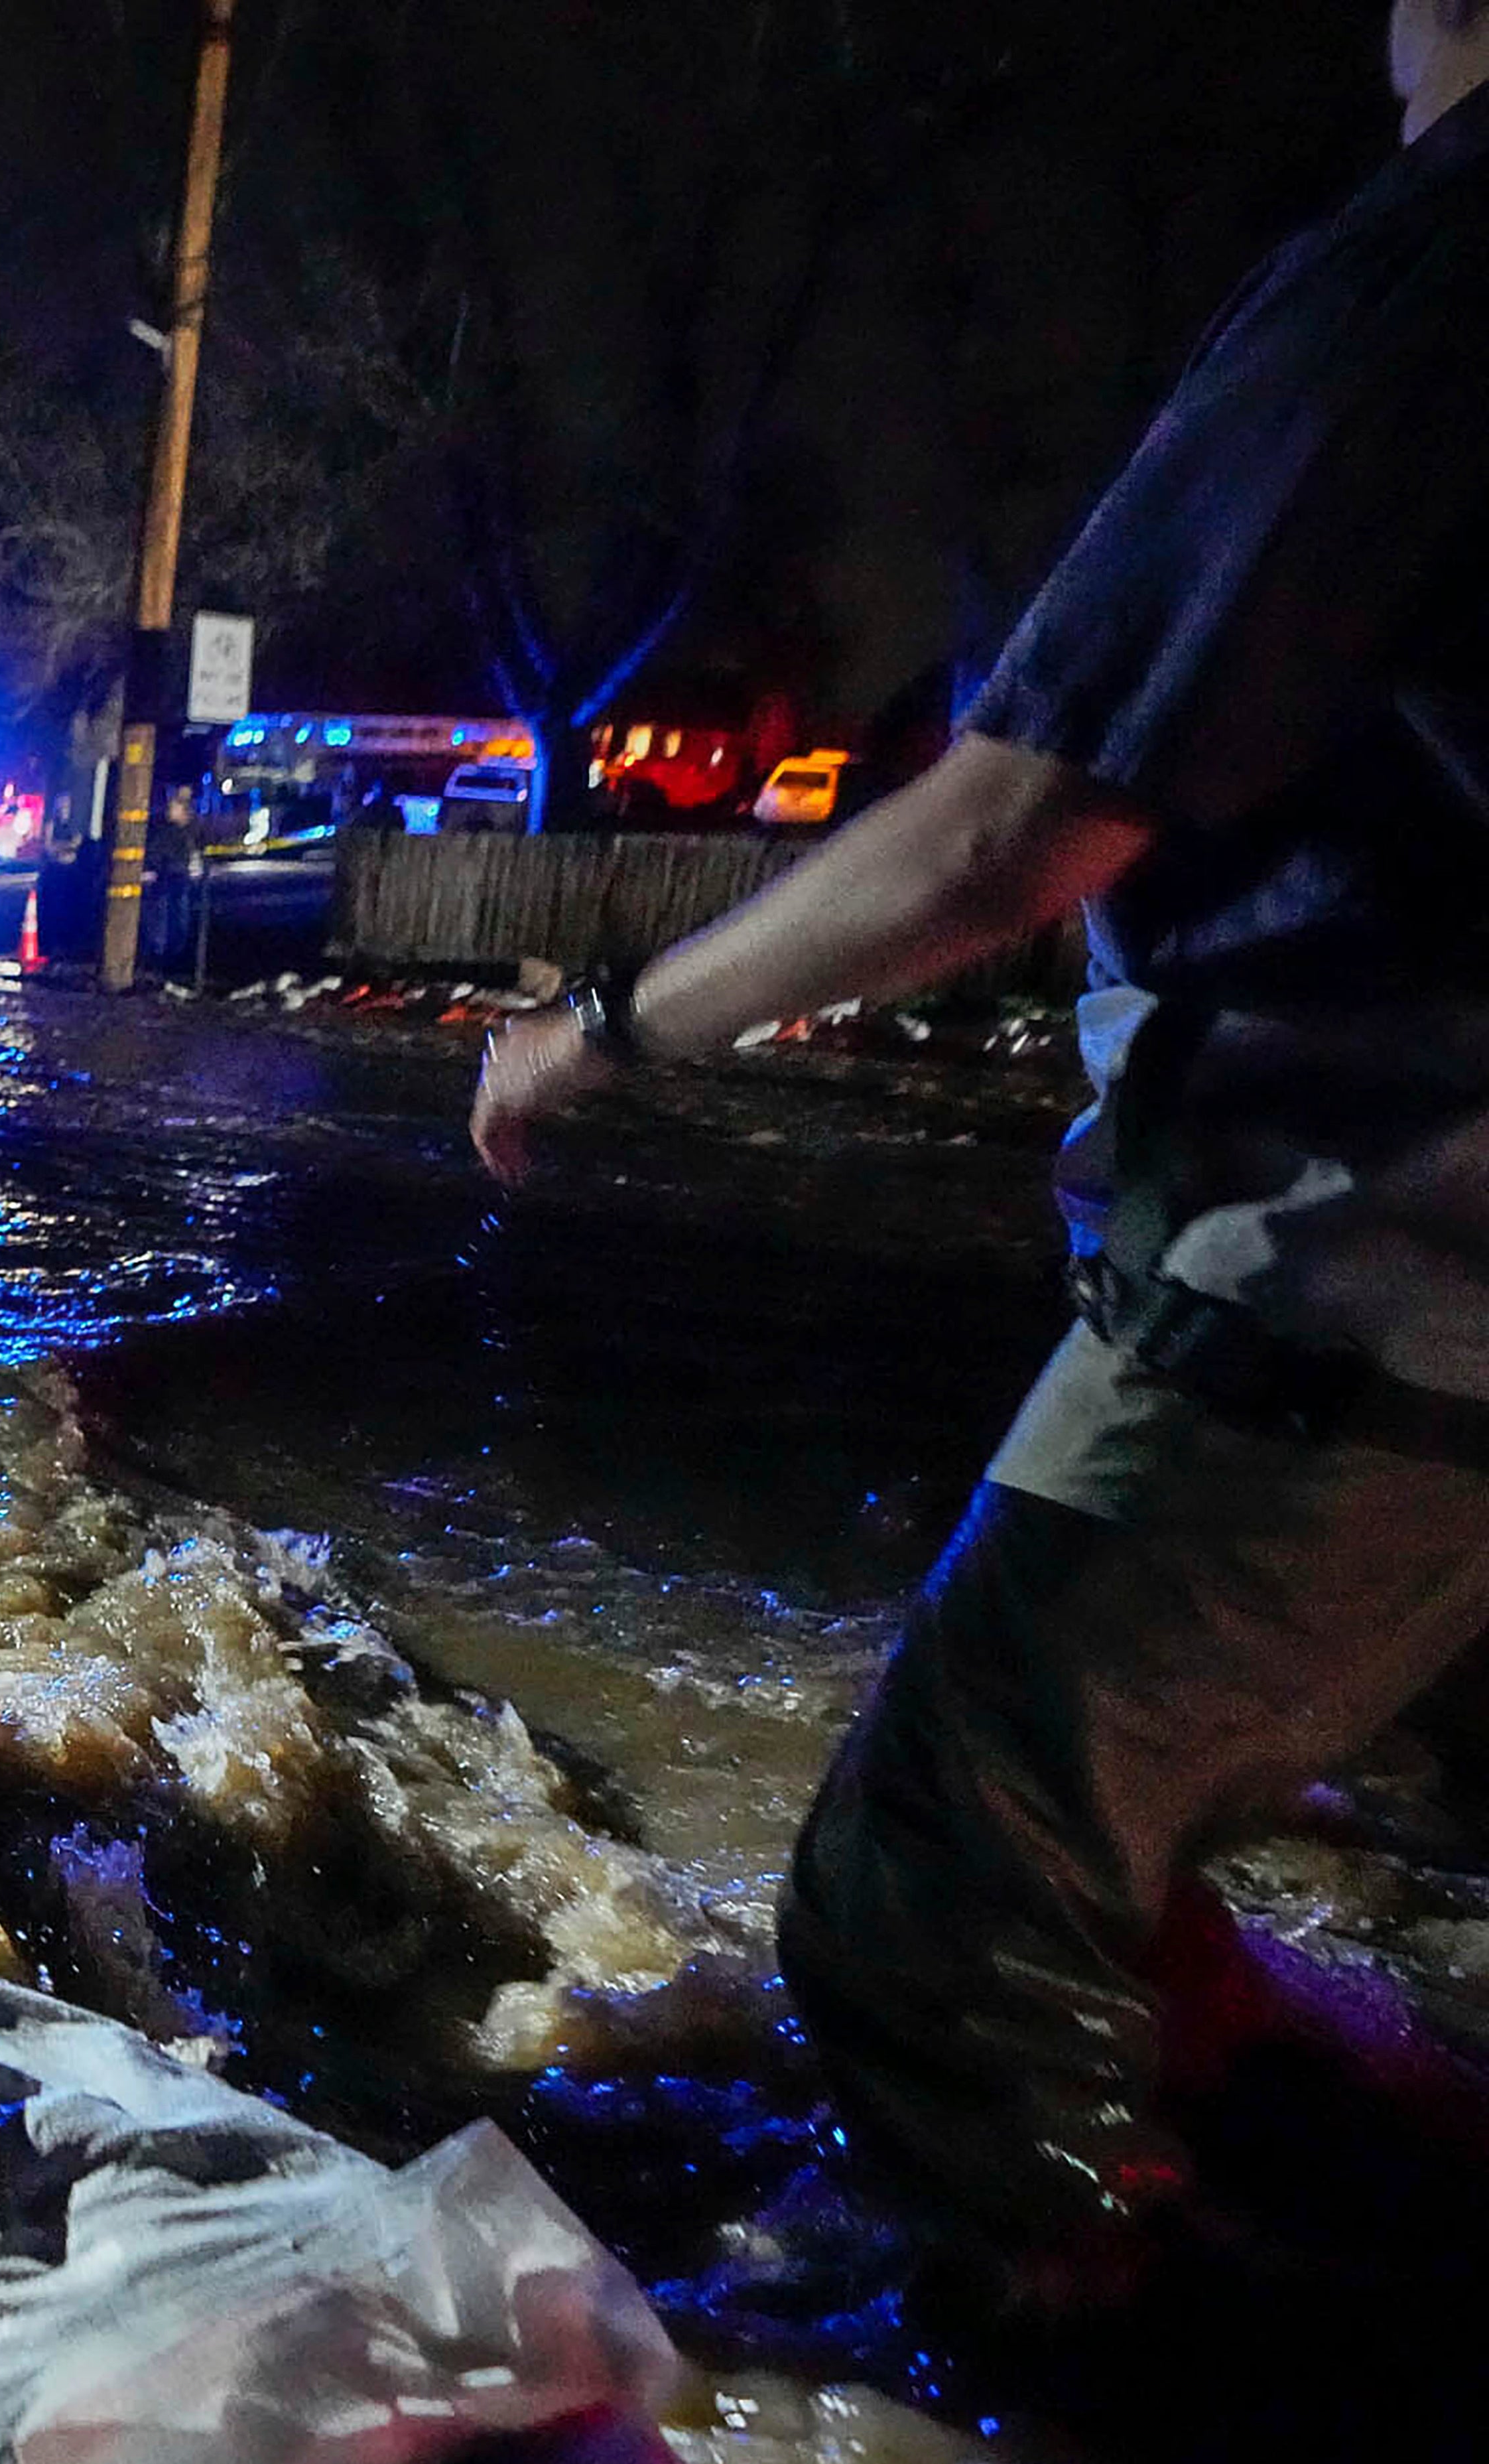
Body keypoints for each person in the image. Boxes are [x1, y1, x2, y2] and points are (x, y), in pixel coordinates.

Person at [468, 0, 1489, 2302]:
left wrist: (609, 1027)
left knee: (934, 1890)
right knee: (1129, 1857)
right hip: (1432, 1346)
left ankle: (1101, 2430)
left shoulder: (1426, 273)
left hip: (1350, 1272)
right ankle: (1306, 2231)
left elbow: (1018, 817)